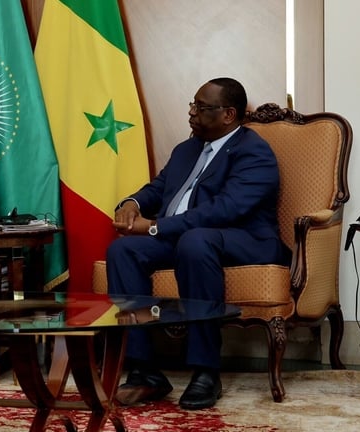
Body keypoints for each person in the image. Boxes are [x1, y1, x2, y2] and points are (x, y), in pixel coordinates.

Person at [106, 77, 290, 410]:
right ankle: (144, 371)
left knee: (195, 241)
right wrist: (132, 203)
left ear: (228, 114)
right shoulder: (187, 149)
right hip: (186, 237)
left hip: (244, 240)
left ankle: (206, 370)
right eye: (193, 104)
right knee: (123, 250)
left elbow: (225, 210)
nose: (192, 112)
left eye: (202, 107)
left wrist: (156, 227)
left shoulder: (254, 151)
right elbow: (158, 189)